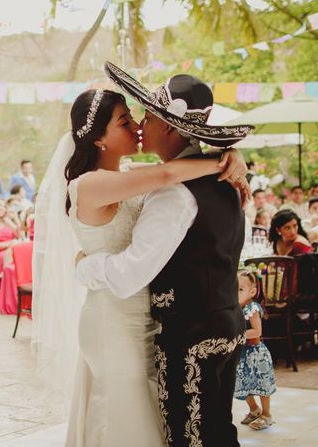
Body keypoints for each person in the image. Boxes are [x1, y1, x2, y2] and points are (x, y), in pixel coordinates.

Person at [46, 63, 253, 446]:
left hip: (157, 321)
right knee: (126, 417)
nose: (138, 125)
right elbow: (166, 175)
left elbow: (167, 174)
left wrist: (231, 157)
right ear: (99, 139)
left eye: (141, 117)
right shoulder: (93, 184)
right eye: (126, 121)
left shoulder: (134, 174)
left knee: (173, 426)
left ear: (171, 127)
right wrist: (222, 159)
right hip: (115, 317)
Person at [234, 270, 276, 431]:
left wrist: (237, 335)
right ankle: (254, 409)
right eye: (234, 288)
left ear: (252, 292)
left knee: (261, 385)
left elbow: (257, 332)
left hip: (256, 354)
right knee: (243, 383)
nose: (236, 292)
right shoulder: (235, 308)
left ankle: (266, 414)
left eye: (240, 289)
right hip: (242, 354)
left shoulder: (252, 308)